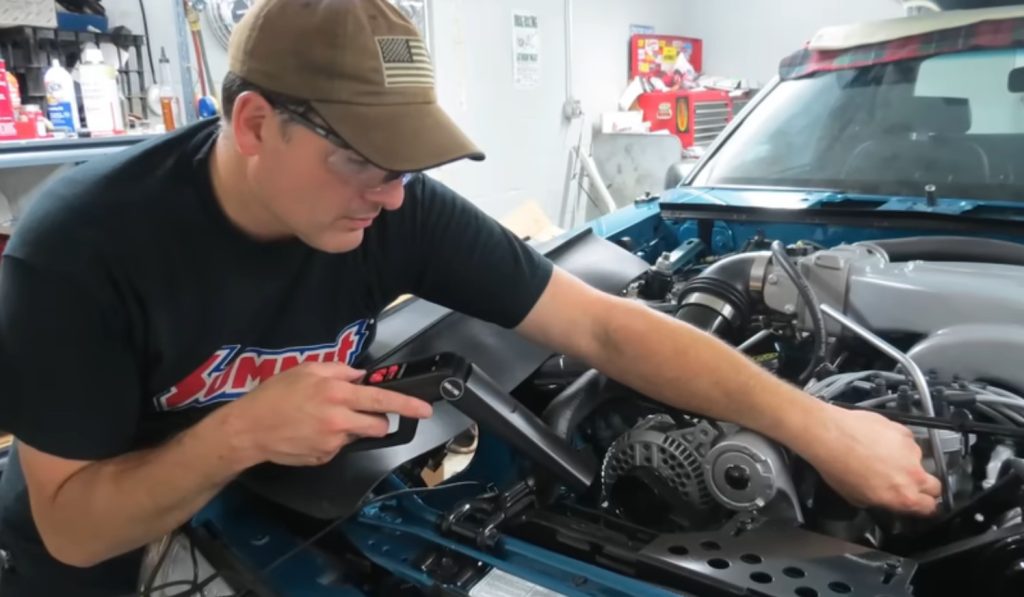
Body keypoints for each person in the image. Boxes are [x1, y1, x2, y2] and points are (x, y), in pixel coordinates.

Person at [0, 0, 941, 595]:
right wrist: (242, 431)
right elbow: (74, 526)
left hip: (261, 501)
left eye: (411, 165)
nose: (395, 196)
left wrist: (823, 428)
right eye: (364, 162)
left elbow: (603, 324)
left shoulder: (389, 208)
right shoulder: (80, 252)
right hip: (95, 526)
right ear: (253, 123)